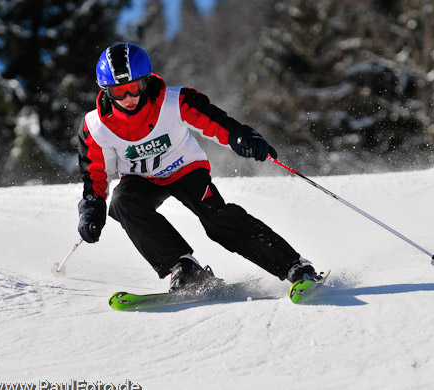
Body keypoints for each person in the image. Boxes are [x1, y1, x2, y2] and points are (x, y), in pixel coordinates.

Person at [77, 42, 321, 292]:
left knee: (216, 218)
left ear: (146, 82)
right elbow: (95, 172)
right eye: (119, 92)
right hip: (141, 179)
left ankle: (294, 265)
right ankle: (183, 267)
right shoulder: (95, 126)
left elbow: (214, 121)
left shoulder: (174, 100)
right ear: (106, 91)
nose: (128, 98)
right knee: (123, 202)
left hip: (185, 169)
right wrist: (92, 210)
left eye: (133, 88)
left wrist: (240, 136)